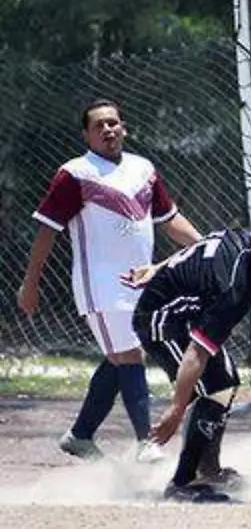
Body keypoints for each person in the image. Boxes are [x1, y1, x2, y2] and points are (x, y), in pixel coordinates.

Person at [17, 99, 203, 463]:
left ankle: (81, 435)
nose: (108, 130)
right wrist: (31, 281)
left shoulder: (143, 169)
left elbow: (168, 219)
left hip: (142, 284)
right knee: (129, 354)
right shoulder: (76, 174)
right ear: (86, 134)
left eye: (114, 123)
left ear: (125, 128)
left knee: (120, 357)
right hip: (100, 285)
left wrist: (203, 243)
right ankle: (145, 443)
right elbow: (46, 231)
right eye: (99, 125)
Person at [121, 223, 251, 502]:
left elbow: (206, 241)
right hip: (160, 320)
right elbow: (195, 355)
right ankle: (183, 483)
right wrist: (176, 410)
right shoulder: (235, 290)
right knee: (215, 386)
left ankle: (208, 469)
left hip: (185, 313)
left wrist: (159, 268)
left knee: (224, 382)